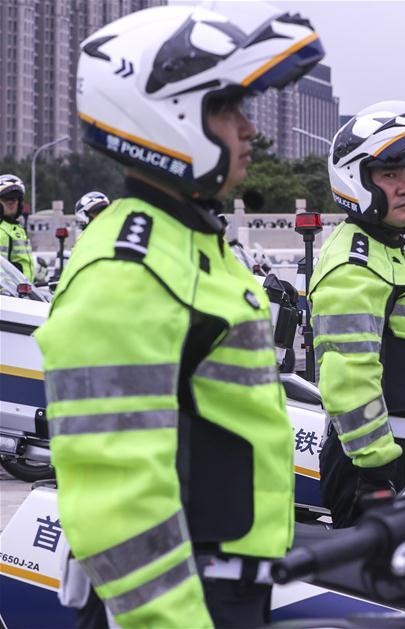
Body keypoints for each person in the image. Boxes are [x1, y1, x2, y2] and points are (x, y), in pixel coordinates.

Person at [34, 5, 325, 628]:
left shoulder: (192, 242)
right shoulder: (127, 269)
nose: (248, 131)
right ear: (163, 119)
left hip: (224, 583)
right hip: (177, 599)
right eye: (227, 110)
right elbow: (115, 494)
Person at [311, 101, 405, 528]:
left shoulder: (396, 245)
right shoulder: (353, 263)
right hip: (374, 465)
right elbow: (349, 376)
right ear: (358, 180)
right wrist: (374, 474)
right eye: (391, 175)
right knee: (393, 590)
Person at [0, 174, 34, 281]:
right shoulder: (1, 229)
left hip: (24, 293)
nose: (11, 203)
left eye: (14, 199)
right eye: (6, 199)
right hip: (7, 295)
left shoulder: (18, 229)